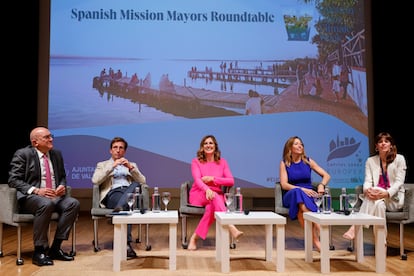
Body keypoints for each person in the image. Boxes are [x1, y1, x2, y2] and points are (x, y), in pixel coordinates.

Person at [8, 127, 80, 266]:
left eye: (50, 136)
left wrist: (61, 186)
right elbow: (13, 179)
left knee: (73, 203)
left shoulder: (56, 154)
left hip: (54, 196)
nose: (51, 139)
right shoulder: (23, 154)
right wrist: (35, 190)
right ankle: (39, 251)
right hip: (32, 198)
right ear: (35, 143)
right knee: (46, 204)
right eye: (46, 137)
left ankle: (56, 248)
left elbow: (63, 176)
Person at [343, 132, 406, 245]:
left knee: (377, 196)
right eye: (380, 142)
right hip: (376, 198)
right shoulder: (370, 161)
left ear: (391, 145)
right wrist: (368, 191)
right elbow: (367, 181)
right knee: (379, 205)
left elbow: (399, 182)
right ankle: (381, 242)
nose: (383, 144)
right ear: (376, 146)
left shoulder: (400, 159)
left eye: (386, 141)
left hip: (393, 199)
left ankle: (355, 227)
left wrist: (386, 193)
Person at [91, 136, 147, 259]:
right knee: (129, 205)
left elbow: (143, 181)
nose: (118, 150)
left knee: (136, 185)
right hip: (113, 194)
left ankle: (118, 211)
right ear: (110, 150)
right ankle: (126, 244)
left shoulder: (132, 165)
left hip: (129, 193)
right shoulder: (102, 164)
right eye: (115, 147)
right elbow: (95, 180)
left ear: (124, 151)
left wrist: (131, 168)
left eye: (121, 148)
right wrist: (111, 167)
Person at [187, 135, 243, 250]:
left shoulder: (222, 162)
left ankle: (194, 238)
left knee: (211, 209)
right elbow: (197, 180)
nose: (208, 145)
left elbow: (231, 180)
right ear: (202, 147)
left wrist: (213, 179)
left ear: (215, 146)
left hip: (215, 196)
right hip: (199, 193)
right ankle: (231, 226)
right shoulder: (196, 162)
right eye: (205, 143)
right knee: (215, 196)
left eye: (211, 143)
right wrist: (207, 189)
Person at [279, 136, 331, 251]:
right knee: (298, 192)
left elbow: (326, 175)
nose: (300, 146)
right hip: (291, 194)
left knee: (301, 211)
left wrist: (321, 185)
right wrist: (302, 189)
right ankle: (318, 225)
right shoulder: (284, 163)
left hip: (308, 196)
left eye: (301, 144)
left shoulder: (308, 161)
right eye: (297, 144)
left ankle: (316, 242)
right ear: (290, 148)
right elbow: (284, 185)